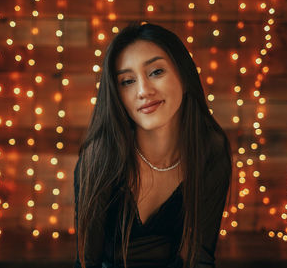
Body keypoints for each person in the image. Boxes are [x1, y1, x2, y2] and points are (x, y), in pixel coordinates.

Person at [73, 22, 232, 268]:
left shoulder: (210, 150)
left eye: (156, 72)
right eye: (127, 81)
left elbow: (199, 259)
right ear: (117, 95)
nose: (143, 91)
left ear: (184, 73)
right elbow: (87, 262)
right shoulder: (100, 156)